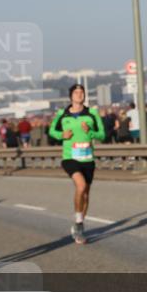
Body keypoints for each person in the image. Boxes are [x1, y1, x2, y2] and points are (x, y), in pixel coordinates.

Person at [48, 84, 105, 244]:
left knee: (85, 194)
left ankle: (79, 224)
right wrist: (62, 135)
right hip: (70, 158)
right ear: (71, 96)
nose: (79, 95)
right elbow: (51, 131)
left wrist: (90, 132)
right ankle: (79, 224)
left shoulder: (92, 113)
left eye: (82, 92)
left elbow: (102, 135)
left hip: (87, 158)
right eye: (76, 92)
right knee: (81, 186)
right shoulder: (62, 114)